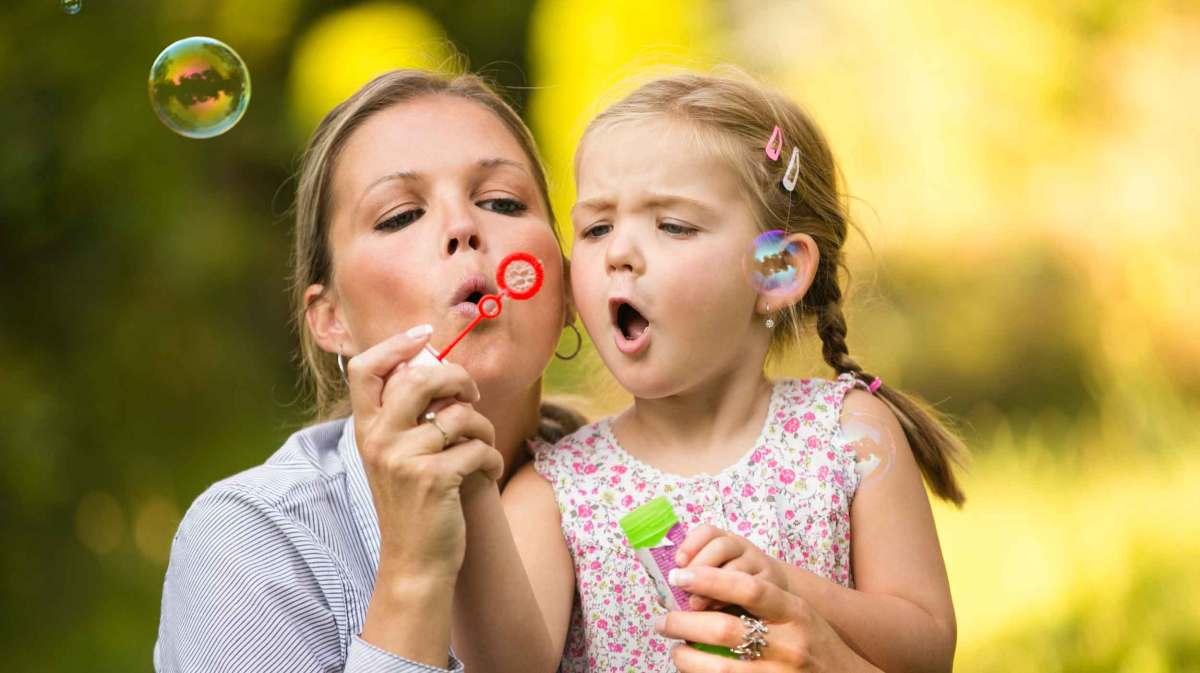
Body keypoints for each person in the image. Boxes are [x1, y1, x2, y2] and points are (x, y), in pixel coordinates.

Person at [454, 70, 968, 673]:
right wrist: (463, 484)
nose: (618, 253)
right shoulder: (556, 493)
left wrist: (783, 588)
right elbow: (502, 667)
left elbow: (928, 649)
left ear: (775, 269)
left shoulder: (848, 435)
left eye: (673, 225)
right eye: (596, 228)